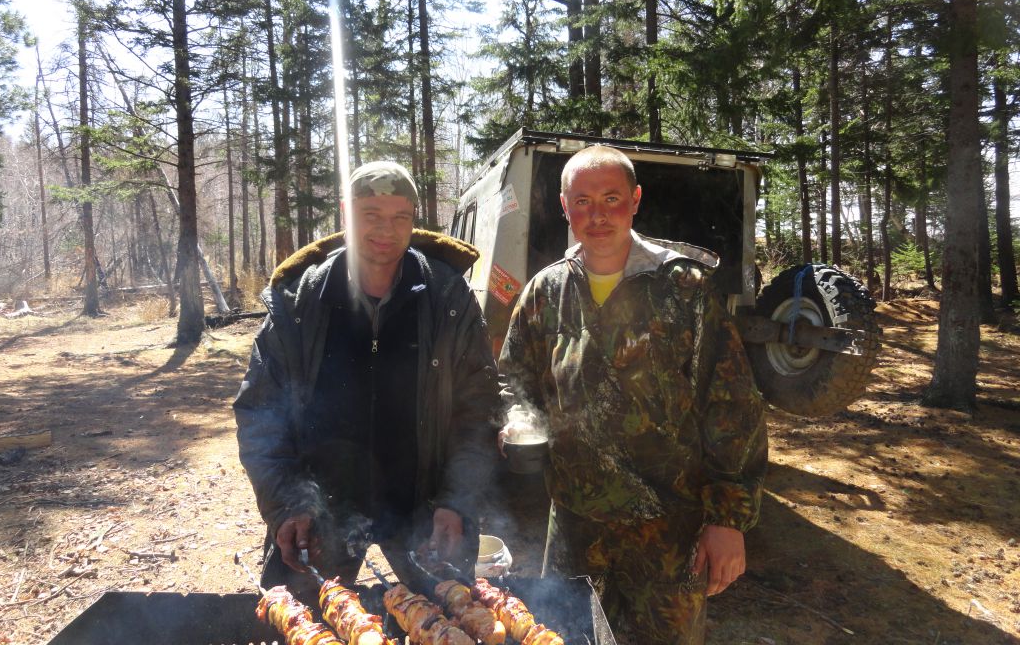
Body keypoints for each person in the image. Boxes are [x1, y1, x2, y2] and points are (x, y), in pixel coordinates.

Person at [498, 145, 767, 644]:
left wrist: (727, 520)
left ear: (636, 200)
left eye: (611, 199)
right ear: (565, 207)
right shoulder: (545, 291)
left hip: (669, 531)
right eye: (582, 202)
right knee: (566, 637)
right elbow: (513, 380)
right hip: (575, 526)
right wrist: (518, 418)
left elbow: (732, 406)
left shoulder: (685, 288)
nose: (597, 215)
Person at [235, 161, 500, 597]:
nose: (386, 230)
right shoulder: (300, 301)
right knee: (304, 618)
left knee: (449, 617)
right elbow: (259, 413)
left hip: (425, 508)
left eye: (400, 217)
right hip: (318, 511)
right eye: (371, 215)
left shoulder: (447, 298)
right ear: (346, 212)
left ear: (413, 220)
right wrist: (288, 504)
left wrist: (457, 500)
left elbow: (478, 410)